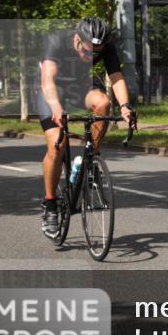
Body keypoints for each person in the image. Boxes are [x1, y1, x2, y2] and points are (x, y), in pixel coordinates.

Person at [37, 17, 136, 236]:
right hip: (53, 91)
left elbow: (116, 76)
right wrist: (56, 108)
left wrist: (126, 107)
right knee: (57, 144)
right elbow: (48, 82)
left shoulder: (105, 46)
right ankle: (50, 204)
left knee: (103, 103)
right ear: (77, 39)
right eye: (87, 51)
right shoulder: (57, 41)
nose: (90, 56)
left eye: (95, 53)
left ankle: (92, 156)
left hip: (81, 86)